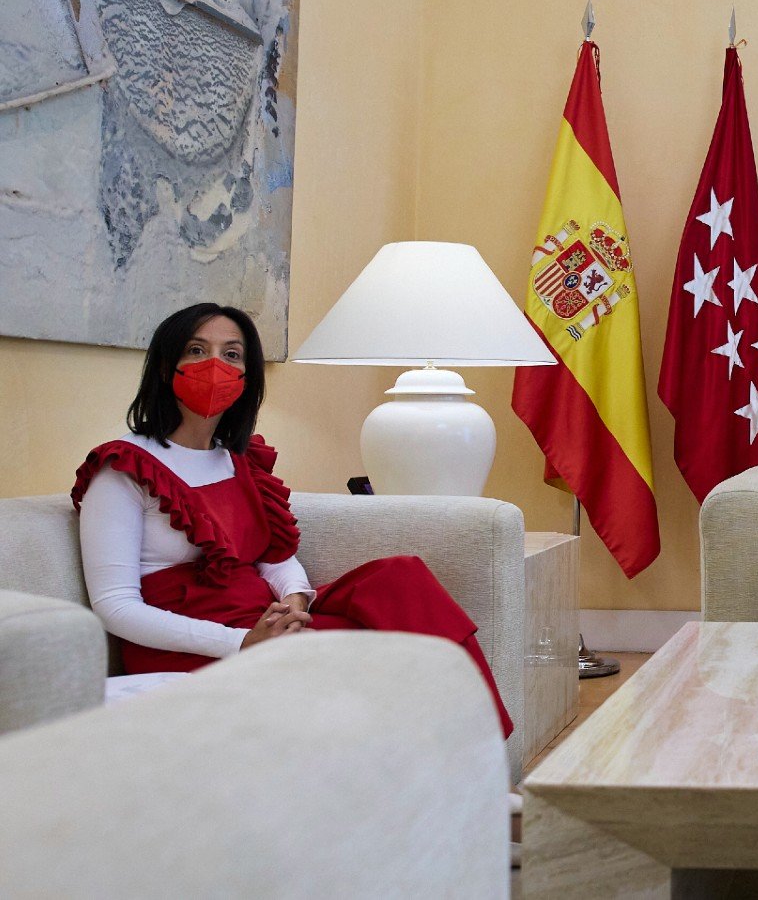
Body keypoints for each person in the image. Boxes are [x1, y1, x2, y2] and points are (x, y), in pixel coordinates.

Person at [72, 303, 512, 738]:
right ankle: (474, 760)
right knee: (391, 650)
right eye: (195, 349)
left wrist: (296, 601)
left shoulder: (238, 461)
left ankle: (485, 745)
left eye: (231, 354)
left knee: (401, 577)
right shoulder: (124, 468)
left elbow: (274, 556)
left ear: (247, 377)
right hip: (196, 646)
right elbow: (115, 608)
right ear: (166, 367)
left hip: (266, 622)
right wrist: (241, 641)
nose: (215, 366)